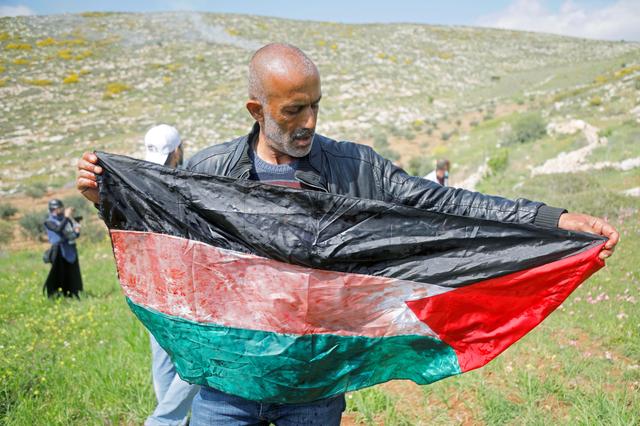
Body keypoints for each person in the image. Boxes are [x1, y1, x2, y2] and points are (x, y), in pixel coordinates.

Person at [76, 43, 619, 425]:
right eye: (293, 110)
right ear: (256, 109)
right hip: (227, 388)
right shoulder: (210, 171)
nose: (309, 121)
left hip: (314, 388)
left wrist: (551, 221)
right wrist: (111, 200)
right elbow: (168, 249)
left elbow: (445, 203)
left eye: (315, 105)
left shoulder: (354, 167)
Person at [142, 124, 200, 426]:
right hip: (185, 284)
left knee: (162, 355)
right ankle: (165, 421)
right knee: (201, 358)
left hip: (150, 282)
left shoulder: (136, 183)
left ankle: (172, 421)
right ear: (178, 150)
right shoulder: (191, 182)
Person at [43, 199, 83, 298]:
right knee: (59, 273)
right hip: (58, 250)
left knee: (72, 272)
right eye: (58, 208)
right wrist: (66, 217)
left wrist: (77, 232)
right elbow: (58, 229)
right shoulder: (48, 222)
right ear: (53, 209)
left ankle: (74, 294)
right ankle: (56, 295)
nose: (60, 210)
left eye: (61, 208)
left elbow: (71, 235)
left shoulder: (66, 220)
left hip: (70, 248)